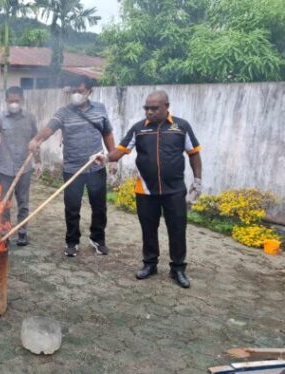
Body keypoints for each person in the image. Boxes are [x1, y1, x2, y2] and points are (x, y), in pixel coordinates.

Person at [96, 90, 202, 288]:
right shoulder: (139, 129)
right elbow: (121, 149)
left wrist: (197, 181)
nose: (150, 112)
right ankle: (150, 264)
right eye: (147, 108)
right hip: (145, 191)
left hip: (175, 190)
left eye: (154, 108)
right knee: (148, 229)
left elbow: (194, 154)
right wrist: (106, 158)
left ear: (166, 107)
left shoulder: (181, 127)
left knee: (177, 230)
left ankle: (178, 268)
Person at [28, 76, 116, 257]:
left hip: (96, 166)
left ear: (89, 92)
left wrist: (112, 157)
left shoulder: (100, 109)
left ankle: (98, 239)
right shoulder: (64, 112)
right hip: (72, 167)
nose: (76, 95)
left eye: (80, 91)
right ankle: (72, 241)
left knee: (99, 206)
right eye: (73, 91)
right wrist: (37, 139)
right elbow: (49, 128)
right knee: (72, 206)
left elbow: (107, 133)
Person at [0, 86, 41, 246]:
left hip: (24, 168)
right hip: (4, 168)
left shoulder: (30, 118)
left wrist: (38, 161)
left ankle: (22, 232)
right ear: (6, 101)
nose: (14, 104)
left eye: (16, 101)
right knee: (4, 203)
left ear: (22, 100)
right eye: (11, 101)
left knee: (23, 203)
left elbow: (35, 141)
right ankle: (6, 232)